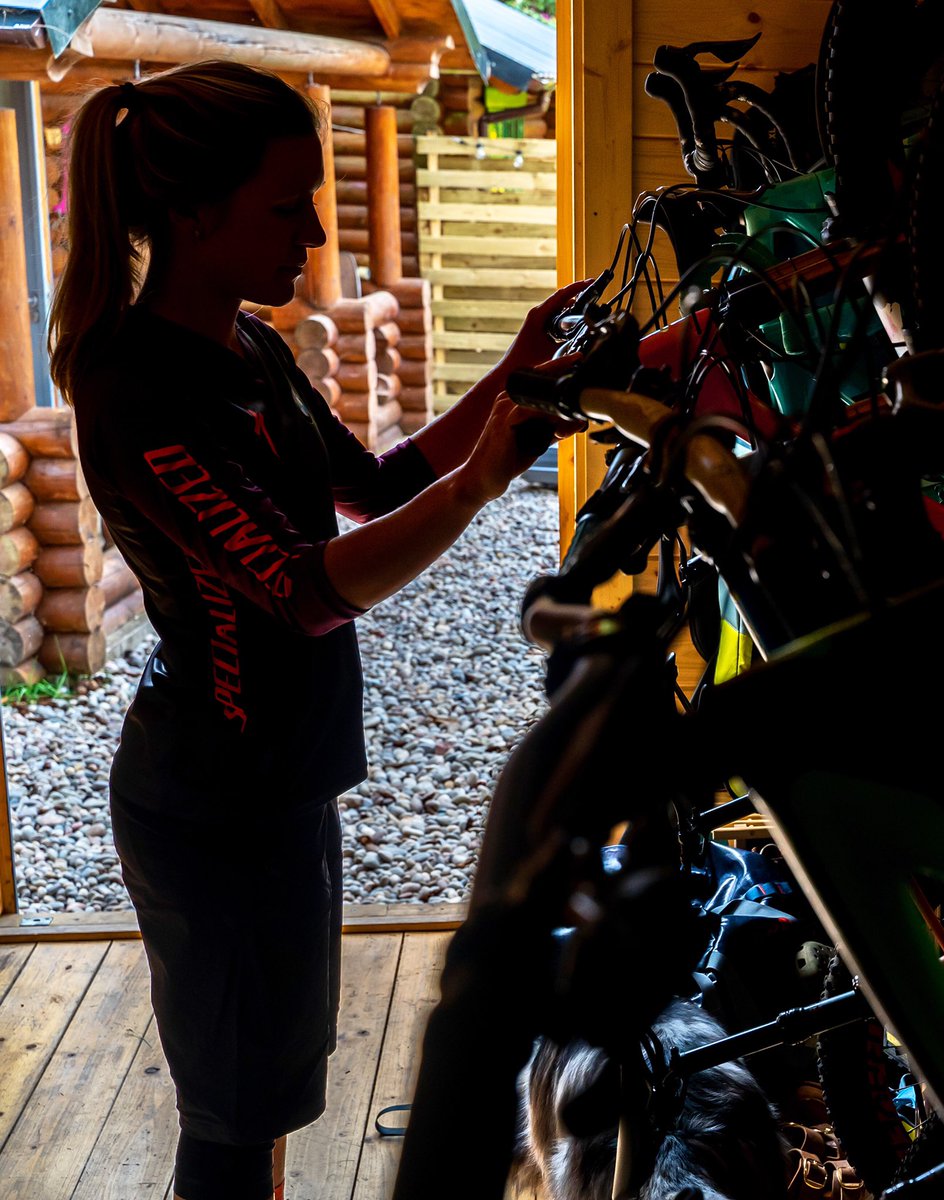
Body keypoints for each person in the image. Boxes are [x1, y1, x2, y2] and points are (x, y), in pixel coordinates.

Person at [46, 58, 586, 1200]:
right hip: (212, 802)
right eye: (287, 204)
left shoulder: (248, 346)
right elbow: (301, 592)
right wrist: (482, 483)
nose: (317, 231)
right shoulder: (133, 386)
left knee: (270, 1093)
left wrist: (514, 371)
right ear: (195, 214)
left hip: (279, 781)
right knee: (232, 1122)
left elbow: (375, 487)